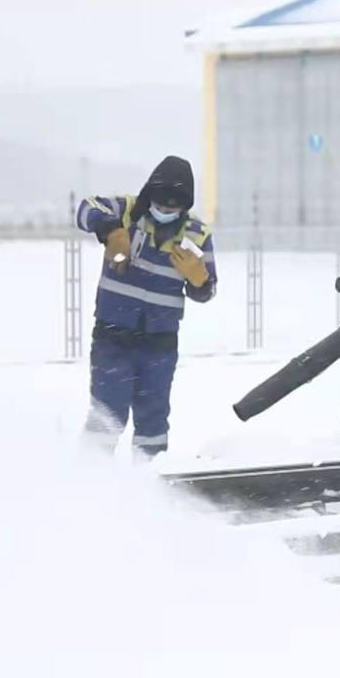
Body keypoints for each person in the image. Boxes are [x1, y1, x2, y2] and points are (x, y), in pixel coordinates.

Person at [76, 155, 217, 460]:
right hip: (113, 339)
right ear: (150, 194)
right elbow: (85, 208)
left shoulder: (197, 235)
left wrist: (199, 280)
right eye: (160, 203)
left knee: (153, 423)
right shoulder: (126, 212)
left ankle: (149, 487)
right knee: (107, 416)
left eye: (174, 207)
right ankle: (88, 480)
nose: (165, 210)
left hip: (159, 347)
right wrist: (110, 230)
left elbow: (208, 291)